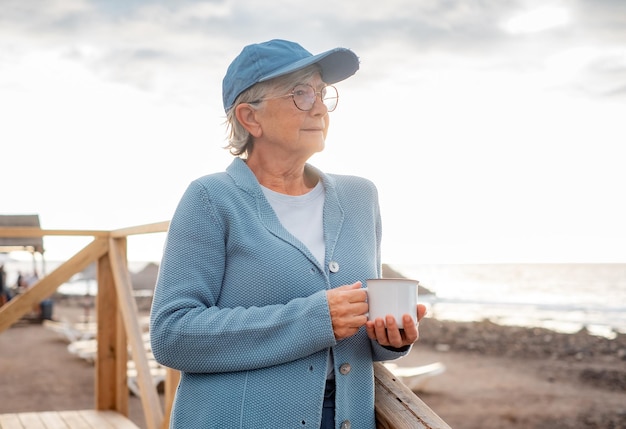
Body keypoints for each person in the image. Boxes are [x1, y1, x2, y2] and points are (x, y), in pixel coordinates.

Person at [150, 39, 427, 429]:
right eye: (300, 93)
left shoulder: (360, 196)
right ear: (250, 118)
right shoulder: (210, 199)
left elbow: (354, 332)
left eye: (321, 92)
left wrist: (389, 338)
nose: (317, 106)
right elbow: (172, 335)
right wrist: (314, 319)